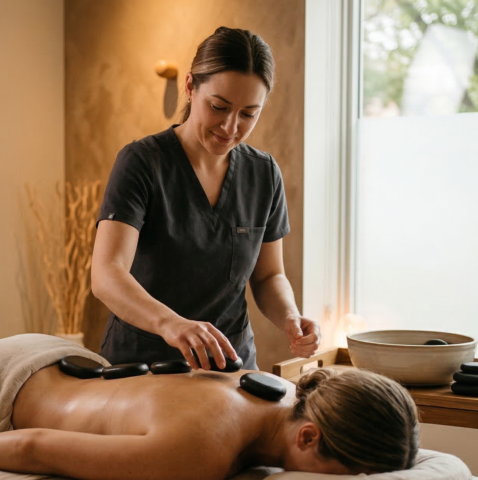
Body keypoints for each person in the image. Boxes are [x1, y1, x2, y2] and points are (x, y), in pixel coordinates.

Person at [91, 27, 320, 372]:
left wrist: (290, 316)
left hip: (230, 367)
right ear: (189, 87)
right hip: (144, 366)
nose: (230, 127)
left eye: (248, 114)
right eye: (219, 106)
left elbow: (269, 276)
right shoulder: (143, 162)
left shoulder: (263, 173)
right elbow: (107, 274)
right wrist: (173, 325)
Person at [0, 366, 420, 480]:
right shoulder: (204, 451)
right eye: (349, 476)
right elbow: (39, 448)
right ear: (308, 437)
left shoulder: (287, 392)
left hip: (57, 363)